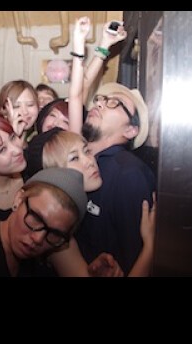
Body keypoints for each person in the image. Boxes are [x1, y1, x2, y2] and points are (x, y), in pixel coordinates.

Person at [69, 17, 157, 275]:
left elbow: (133, 257)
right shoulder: (80, 154)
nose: (99, 103)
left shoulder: (129, 174)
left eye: (114, 103)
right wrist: (102, 45)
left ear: (131, 130)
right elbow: (76, 95)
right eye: (100, 99)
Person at [0, 167, 120, 277]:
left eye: (55, 234)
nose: (38, 239)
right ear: (18, 199)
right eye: (36, 218)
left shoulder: (40, 268)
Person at [25, 127, 156, 277]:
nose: (90, 161)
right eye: (74, 158)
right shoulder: (55, 235)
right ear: (53, 173)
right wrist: (150, 246)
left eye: (86, 151)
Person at [0, 80, 39, 145]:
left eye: (30, 105)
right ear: (4, 111)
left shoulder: (37, 141)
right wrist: (14, 134)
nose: (25, 112)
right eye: (16, 106)